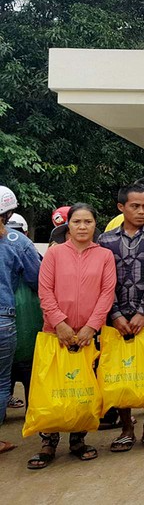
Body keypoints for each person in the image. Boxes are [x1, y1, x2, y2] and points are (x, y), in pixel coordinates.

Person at [28, 203, 116, 469]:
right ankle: (48, 441)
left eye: (88, 222)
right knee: (52, 389)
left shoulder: (104, 256)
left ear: (95, 225)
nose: (82, 227)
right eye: (77, 222)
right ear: (69, 225)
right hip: (55, 333)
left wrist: (92, 326)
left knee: (83, 389)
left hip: (88, 335)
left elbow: (107, 293)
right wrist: (60, 324)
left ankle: (78, 439)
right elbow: (45, 291)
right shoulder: (55, 254)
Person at [98, 184, 144, 452]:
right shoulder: (105, 241)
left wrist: (143, 312)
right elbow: (103, 283)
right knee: (120, 371)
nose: (141, 211)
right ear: (121, 207)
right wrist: (115, 314)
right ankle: (126, 427)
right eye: (134, 206)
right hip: (115, 316)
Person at [0, 186, 40, 455]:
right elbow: (37, 279)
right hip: (3, 318)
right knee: (2, 381)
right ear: (9, 212)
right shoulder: (17, 241)